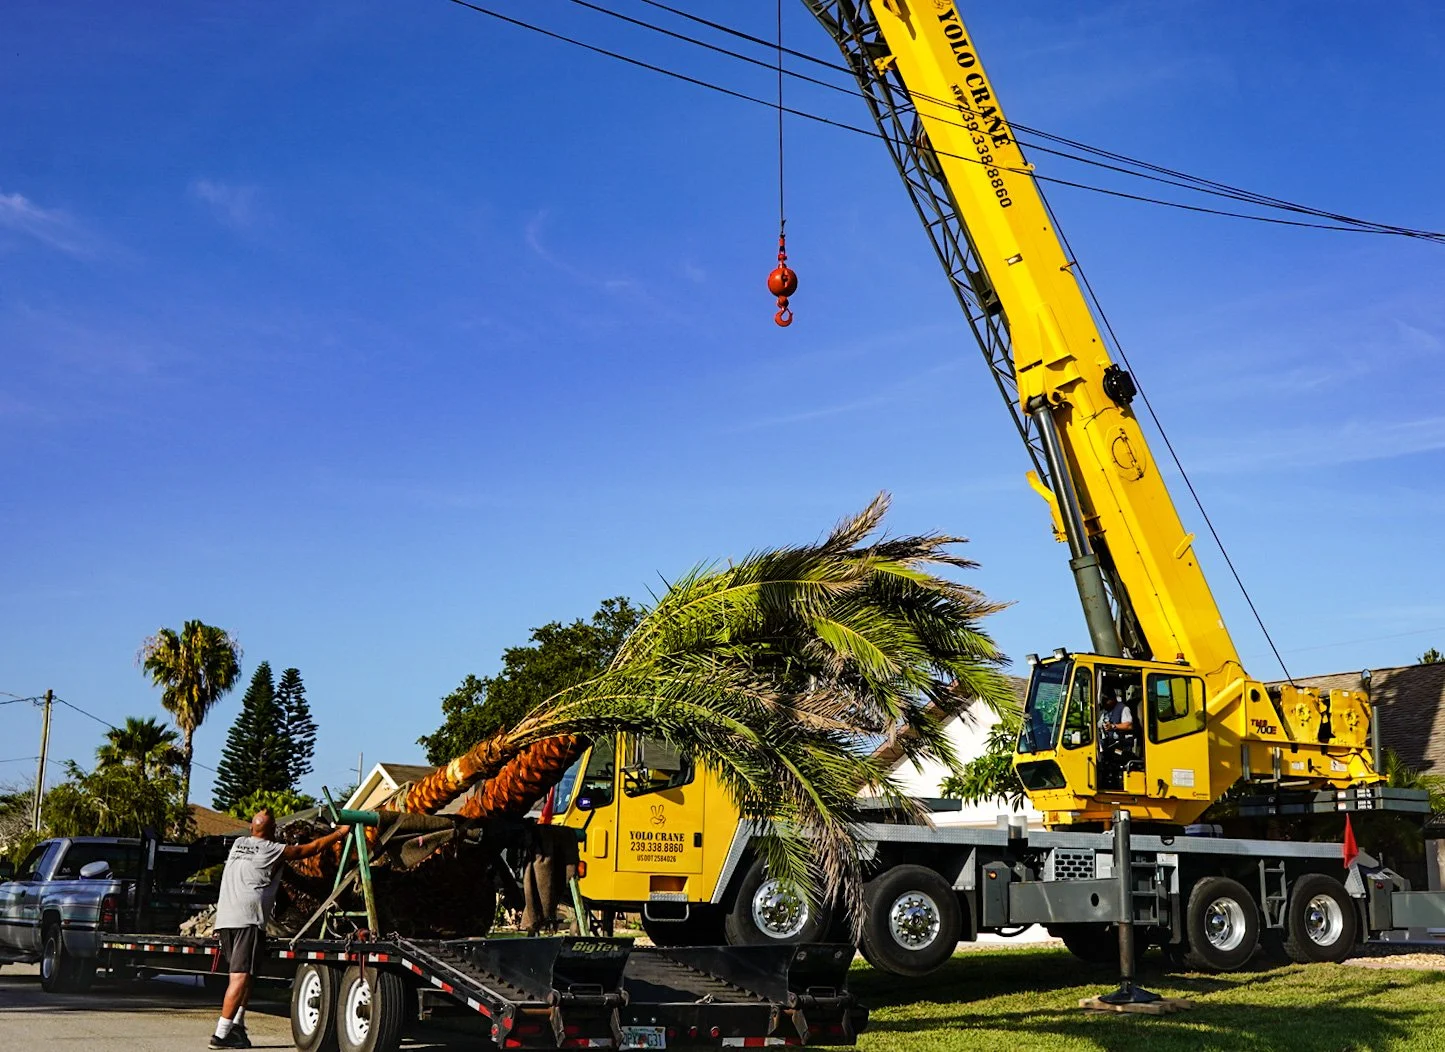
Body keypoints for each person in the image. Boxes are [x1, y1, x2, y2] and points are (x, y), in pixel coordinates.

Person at [209, 809, 350, 1049]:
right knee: (240, 977)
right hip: (248, 922)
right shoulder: (271, 850)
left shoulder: (238, 844)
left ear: (252, 829)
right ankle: (220, 1034)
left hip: (226, 920)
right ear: (272, 830)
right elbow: (310, 849)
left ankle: (237, 1026)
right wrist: (339, 834)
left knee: (248, 976)